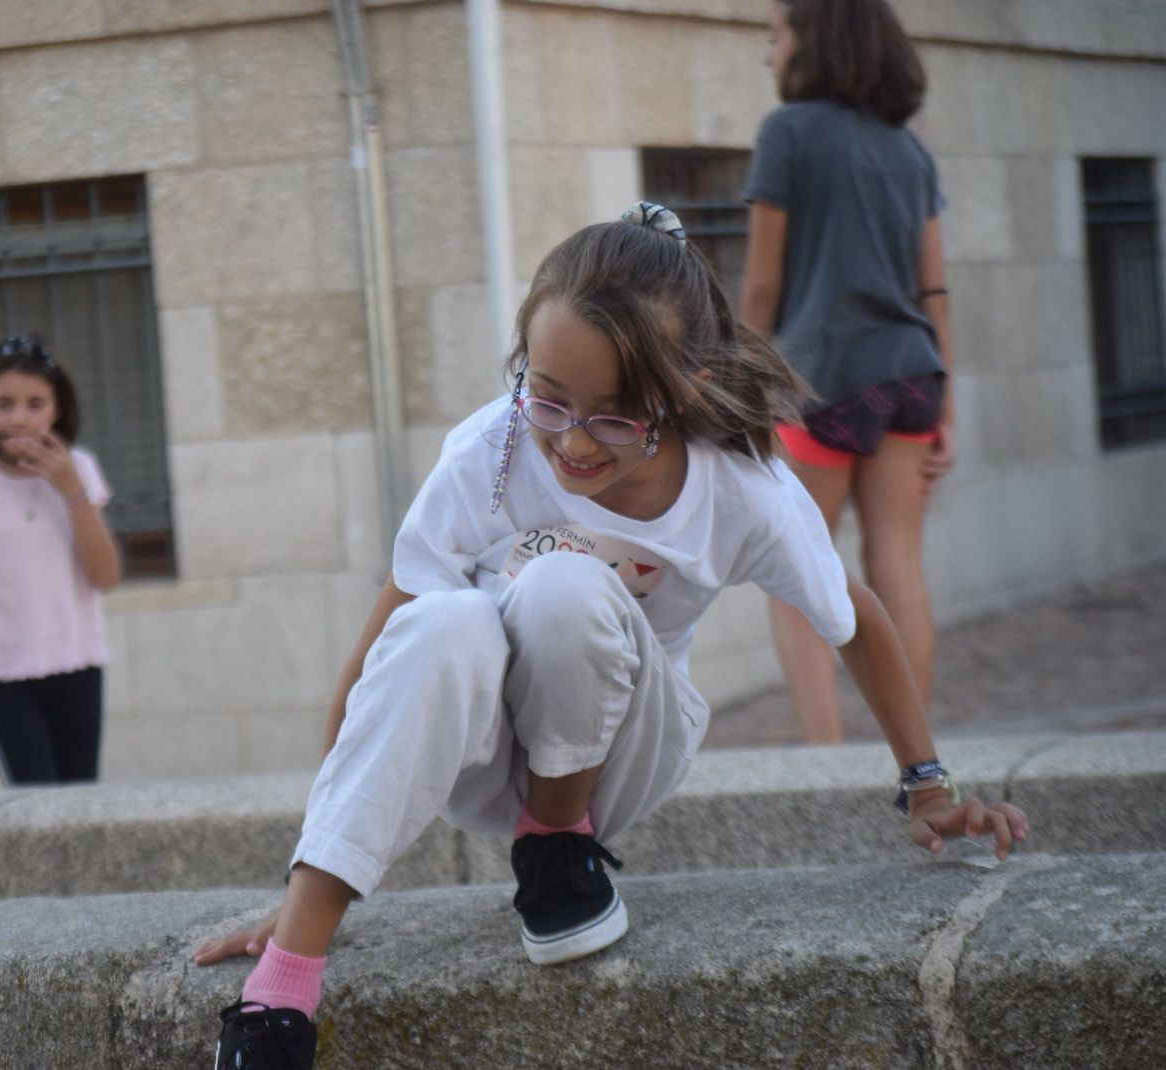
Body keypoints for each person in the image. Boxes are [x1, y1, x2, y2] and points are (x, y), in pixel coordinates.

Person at [193, 209, 1027, 1070]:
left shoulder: (739, 485)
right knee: (441, 619)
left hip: (621, 741)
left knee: (562, 583)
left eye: (615, 418)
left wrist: (929, 785)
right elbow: (381, 659)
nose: (572, 442)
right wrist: (305, 869)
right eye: (548, 397)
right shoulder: (496, 447)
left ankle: (557, 844)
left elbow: (853, 620)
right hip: (475, 747)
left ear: (682, 390)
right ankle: (280, 996)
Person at [741, 0, 956, 743]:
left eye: (775, 36)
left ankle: (826, 757)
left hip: (821, 382)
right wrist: (947, 410)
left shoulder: (787, 134)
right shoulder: (909, 149)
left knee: (798, 572)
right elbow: (935, 292)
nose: (768, 55)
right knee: (898, 562)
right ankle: (916, 759)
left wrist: (737, 382)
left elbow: (763, 285)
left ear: (814, 40)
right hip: (912, 380)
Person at [0, 334, 122, 785]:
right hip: (3, 677)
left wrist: (71, 489)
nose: (20, 419)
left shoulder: (81, 470)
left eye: (36, 403)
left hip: (78, 665)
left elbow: (106, 576)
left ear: (57, 407)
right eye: (5, 404)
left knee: (79, 808)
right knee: (34, 812)